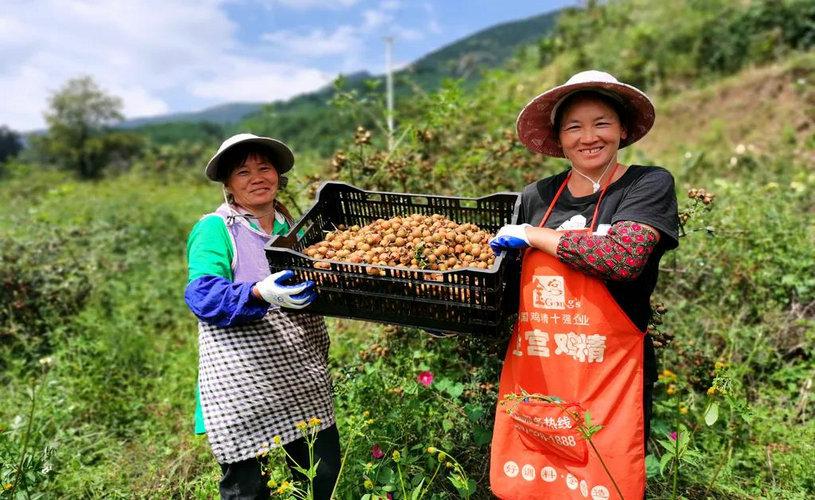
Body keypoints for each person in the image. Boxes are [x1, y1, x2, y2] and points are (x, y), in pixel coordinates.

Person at [488, 71, 678, 499]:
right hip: (538, 371)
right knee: (532, 486)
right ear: (559, 137)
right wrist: (445, 310)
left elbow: (623, 258)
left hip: (611, 375)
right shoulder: (536, 196)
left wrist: (535, 235)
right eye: (574, 126)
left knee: (607, 485)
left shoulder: (646, 184)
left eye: (602, 123)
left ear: (623, 130)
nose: (588, 137)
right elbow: (506, 291)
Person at [184, 133, 341, 500]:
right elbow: (202, 294)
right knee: (250, 489)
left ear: (277, 175)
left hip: (299, 376)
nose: (257, 177)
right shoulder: (216, 228)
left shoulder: (293, 229)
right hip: (245, 385)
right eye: (243, 172)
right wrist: (257, 292)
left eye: (264, 168)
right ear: (228, 184)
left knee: (323, 473)